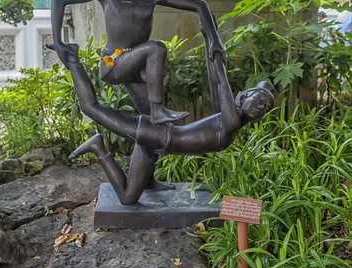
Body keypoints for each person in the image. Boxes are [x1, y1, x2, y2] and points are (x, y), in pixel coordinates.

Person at [50, 0, 225, 126]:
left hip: (137, 67)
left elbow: (199, 4)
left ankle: (153, 129)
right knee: (156, 48)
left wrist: (215, 40)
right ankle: (158, 109)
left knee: (154, 128)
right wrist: (58, 42)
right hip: (112, 63)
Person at [57, 42, 274, 205]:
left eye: (266, 107)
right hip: (154, 135)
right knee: (90, 108)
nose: (262, 106)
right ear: (245, 95)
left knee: (127, 198)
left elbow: (218, 84)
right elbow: (220, 83)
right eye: (261, 99)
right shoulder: (230, 119)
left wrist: (213, 47)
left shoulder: (229, 121)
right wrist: (215, 50)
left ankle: (105, 150)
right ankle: (73, 59)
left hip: (156, 145)